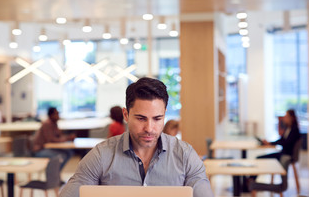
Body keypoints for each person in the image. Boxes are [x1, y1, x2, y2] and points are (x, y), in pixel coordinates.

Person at [59, 77, 213, 197]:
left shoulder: (185, 155)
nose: (149, 128)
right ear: (126, 115)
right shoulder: (101, 155)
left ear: (164, 115)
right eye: (141, 118)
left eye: (157, 119)